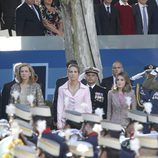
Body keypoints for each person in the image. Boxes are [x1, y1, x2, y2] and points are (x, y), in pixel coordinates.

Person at [57, 64, 92, 129]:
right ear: (68, 74)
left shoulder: (85, 89)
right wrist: (59, 124)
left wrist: (88, 125)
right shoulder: (61, 89)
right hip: (66, 122)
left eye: (75, 72)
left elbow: (88, 108)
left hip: (81, 122)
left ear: (78, 74)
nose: (73, 74)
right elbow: (60, 107)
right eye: (71, 72)